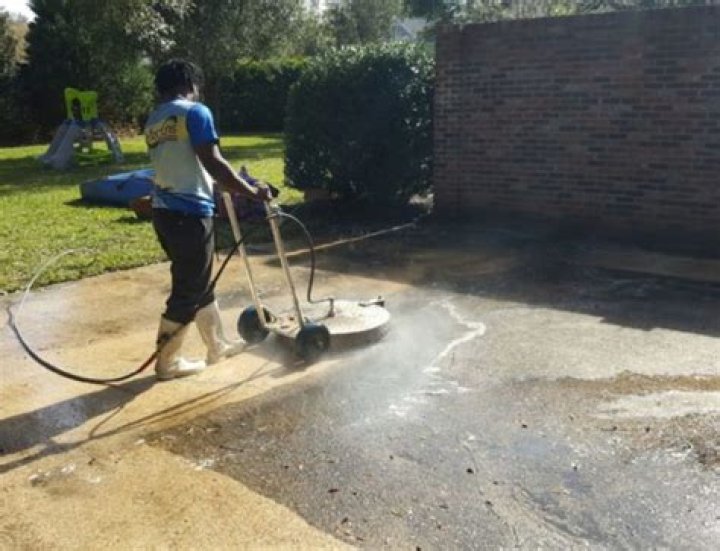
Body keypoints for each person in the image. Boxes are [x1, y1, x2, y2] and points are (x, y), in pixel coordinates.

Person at [145, 59, 271, 381]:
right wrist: (251, 192)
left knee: (199, 281)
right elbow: (212, 161)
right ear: (191, 84)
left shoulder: (155, 120)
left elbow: (181, 163)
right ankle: (167, 363)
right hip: (189, 214)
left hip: (164, 212)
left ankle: (217, 346)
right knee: (188, 288)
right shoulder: (195, 112)